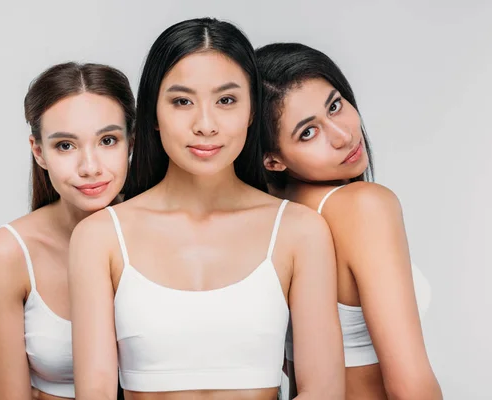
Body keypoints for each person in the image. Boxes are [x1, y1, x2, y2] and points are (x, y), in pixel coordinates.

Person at [69, 18, 345, 400]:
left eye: (226, 100)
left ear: (252, 110)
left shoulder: (300, 230)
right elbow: (95, 392)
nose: (205, 125)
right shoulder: (99, 237)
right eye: (182, 101)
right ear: (152, 113)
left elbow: (324, 391)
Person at [256, 42, 442, 400]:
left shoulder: (269, 215)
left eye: (335, 106)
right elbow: (411, 385)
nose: (343, 136)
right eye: (308, 132)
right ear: (272, 160)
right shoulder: (364, 207)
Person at [0, 62, 134, 400]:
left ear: (130, 143)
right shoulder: (9, 253)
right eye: (66, 145)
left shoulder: (166, 231)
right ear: (39, 152)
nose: (90, 167)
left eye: (108, 140)